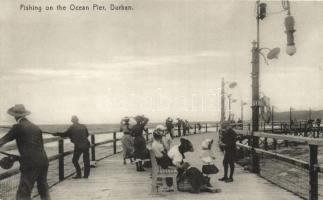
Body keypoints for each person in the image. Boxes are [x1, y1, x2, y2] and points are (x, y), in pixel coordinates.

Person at [0, 104, 50, 200]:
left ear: (15, 116)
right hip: (43, 161)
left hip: (30, 164)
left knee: (23, 193)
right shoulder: (35, 127)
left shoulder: (17, 127)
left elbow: (3, 140)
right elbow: (38, 147)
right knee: (43, 190)